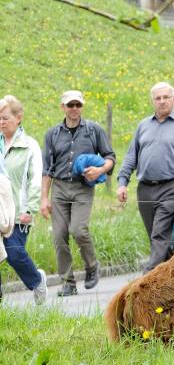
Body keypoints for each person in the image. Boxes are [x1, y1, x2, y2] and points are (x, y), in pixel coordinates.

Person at [117, 83, 174, 272]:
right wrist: (122, 183)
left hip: (172, 188)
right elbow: (131, 157)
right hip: (145, 189)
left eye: (166, 97)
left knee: (159, 234)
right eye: (158, 98)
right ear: (152, 101)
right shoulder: (143, 126)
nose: (162, 101)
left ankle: (147, 278)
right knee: (156, 238)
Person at [40, 90, 116, 297]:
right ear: (62, 107)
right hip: (59, 188)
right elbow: (47, 169)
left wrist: (100, 170)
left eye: (78, 105)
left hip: (83, 188)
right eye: (70, 105)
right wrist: (44, 198)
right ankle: (68, 283)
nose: (74, 108)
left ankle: (92, 266)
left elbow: (110, 157)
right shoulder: (52, 134)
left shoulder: (93, 130)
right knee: (59, 235)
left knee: (78, 230)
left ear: (82, 106)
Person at [0, 95, 47, 304]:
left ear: (19, 118)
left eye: (5, 118)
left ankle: (37, 280)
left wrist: (30, 209)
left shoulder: (30, 146)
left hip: (18, 212)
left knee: (14, 253)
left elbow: (35, 179)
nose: (1, 122)